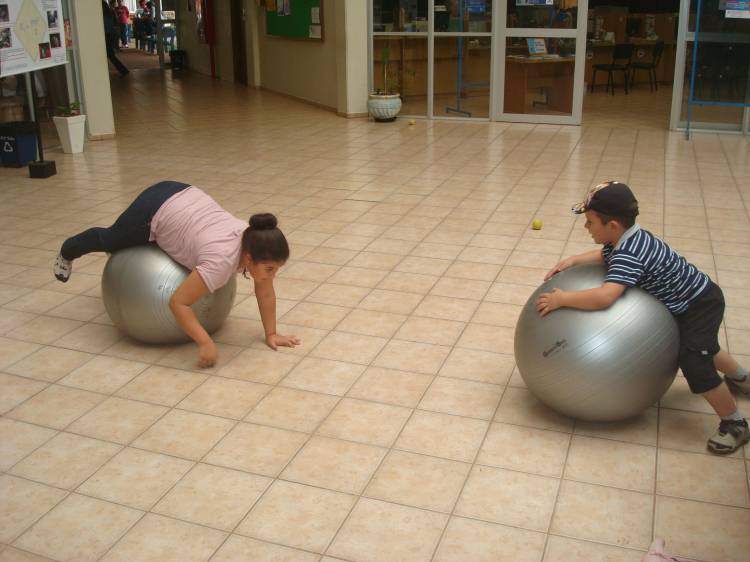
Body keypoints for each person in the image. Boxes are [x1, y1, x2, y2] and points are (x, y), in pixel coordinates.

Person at [536, 181, 749, 454]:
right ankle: (742, 379)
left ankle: (735, 423)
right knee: (705, 347)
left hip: (699, 305)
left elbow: (606, 297)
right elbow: (604, 255)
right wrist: (576, 260)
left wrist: (562, 299)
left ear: (613, 225)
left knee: (696, 360)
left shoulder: (629, 253)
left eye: (590, 222)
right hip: (694, 299)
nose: (586, 227)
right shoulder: (628, 238)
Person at [53, 181, 300, 368]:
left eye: (276, 268)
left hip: (183, 194)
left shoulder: (254, 237)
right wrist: (205, 342)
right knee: (109, 240)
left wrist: (272, 334)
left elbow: (265, 292)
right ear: (248, 257)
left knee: (123, 242)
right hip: (154, 209)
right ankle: (68, 250)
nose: (272, 275)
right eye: (269, 269)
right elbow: (178, 303)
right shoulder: (220, 262)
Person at [102, 0, 129, 76]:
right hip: (113, 33)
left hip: (108, 34)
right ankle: (123, 70)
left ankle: (123, 71)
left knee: (110, 55)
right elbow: (116, 22)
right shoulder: (111, 12)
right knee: (110, 55)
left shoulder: (103, 14)